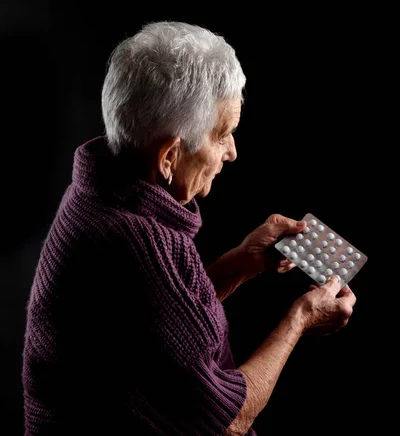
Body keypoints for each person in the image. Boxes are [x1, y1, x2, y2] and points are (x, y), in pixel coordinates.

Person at [22, 21, 356, 435]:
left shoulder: (98, 189)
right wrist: (301, 317)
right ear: (168, 157)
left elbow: (154, 328)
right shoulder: (138, 243)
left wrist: (241, 263)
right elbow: (226, 421)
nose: (232, 153)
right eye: (222, 135)